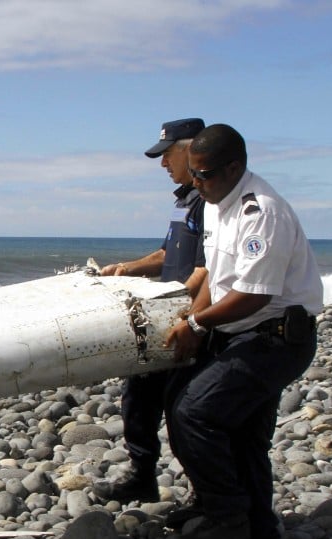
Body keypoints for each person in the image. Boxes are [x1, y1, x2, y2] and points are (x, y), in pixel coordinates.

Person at [163, 124, 322, 539]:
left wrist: (197, 324)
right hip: (241, 333)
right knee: (240, 436)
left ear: (234, 168)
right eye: (193, 173)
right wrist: (195, 318)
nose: (196, 183)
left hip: (275, 338)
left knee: (196, 413)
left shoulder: (262, 213)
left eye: (205, 174)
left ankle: (227, 521)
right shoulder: (217, 203)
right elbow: (217, 276)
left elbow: (254, 294)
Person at [93, 118, 207, 504]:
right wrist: (126, 268)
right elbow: (165, 254)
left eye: (167, 154)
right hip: (165, 316)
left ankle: (205, 494)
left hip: (190, 320)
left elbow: (208, 271)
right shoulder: (183, 201)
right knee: (138, 396)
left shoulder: (209, 203)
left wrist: (189, 319)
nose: (163, 164)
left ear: (192, 150)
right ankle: (142, 475)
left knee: (183, 411)